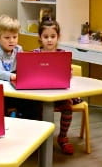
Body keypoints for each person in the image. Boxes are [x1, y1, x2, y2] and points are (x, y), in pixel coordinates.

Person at [34, 18, 76, 155]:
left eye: (53, 36)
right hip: (39, 95)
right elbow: (30, 74)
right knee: (36, 110)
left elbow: (68, 75)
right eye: (46, 37)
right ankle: (41, 139)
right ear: (40, 38)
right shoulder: (35, 54)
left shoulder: (62, 54)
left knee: (68, 108)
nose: (49, 40)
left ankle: (62, 137)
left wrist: (69, 72)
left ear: (58, 37)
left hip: (59, 93)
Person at [0, 14, 39, 119]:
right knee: (7, 102)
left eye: (15, 37)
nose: (12, 40)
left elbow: (25, 66)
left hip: (12, 83)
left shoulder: (18, 49)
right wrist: (13, 76)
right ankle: (12, 115)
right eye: (7, 37)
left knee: (33, 102)